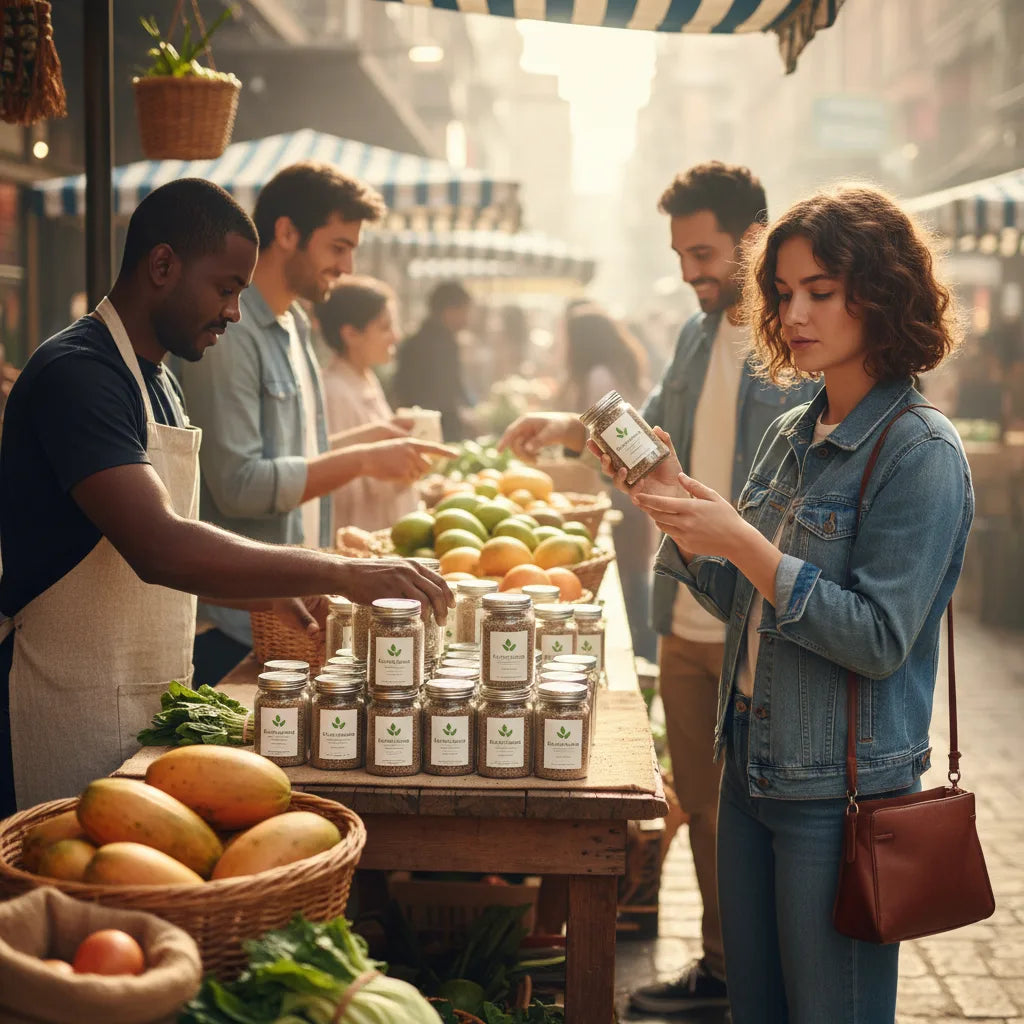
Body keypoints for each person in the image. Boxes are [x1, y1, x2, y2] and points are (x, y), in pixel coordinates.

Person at [617, 183, 969, 1022]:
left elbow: (880, 637)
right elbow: (748, 598)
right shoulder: (790, 430)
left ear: (879, 293)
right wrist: (682, 516)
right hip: (752, 771)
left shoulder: (921, 451)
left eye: (820, 290)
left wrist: (742, 539)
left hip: (837, 797)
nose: (794, 312)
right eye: (782, 293)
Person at [0, 178, 451, 816]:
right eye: (225, 287)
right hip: (59, 709)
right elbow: (159, 547)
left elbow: (169, 544)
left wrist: (268, 587)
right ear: (162, 266)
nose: (234, 312)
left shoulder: (156, 378)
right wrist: (343, 571)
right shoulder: (77, 375)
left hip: (140, 700)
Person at [499, 162, 816, 1011]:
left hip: (767, 621)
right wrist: (573, 428)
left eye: (703, 252)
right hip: (685, 609)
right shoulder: (692, 334)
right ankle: (722, 967)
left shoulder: (799, 345)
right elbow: (647, 429)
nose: (690, 271)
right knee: (707, 814)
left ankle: (770, 978)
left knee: (771, 821)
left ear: (755, 241)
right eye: (680, 254)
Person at [178, 163, 453, 685]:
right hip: (239, 626)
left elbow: (303, 453)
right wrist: (365, 459)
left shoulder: (295, 323)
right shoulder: (232, 335)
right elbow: (239, 485)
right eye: (337, 247)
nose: (347, 266)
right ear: (286, 233)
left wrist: (372, 437)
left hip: (298, 616)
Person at [557, 305, 657, 660]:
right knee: (635, 577)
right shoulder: (615, 369)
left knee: (631, 582)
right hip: (627, 492)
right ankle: (645, 655)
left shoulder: (598, 376)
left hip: (620, 493)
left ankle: (642, 655)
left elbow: (602, 439)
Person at [316, 276, 421, 532]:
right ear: (351, 334)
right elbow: (335, 477)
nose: (395, 336)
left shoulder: (365, 378)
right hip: (358, 533)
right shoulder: (334, 391)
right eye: (385, 327)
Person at [391, 280, 474, 442]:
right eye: (464, 312)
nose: (467, 319)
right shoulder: (436, 344)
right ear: (449, 311)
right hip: (433, 429)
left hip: (424, 427)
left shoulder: (416, 342)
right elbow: (447, 389)